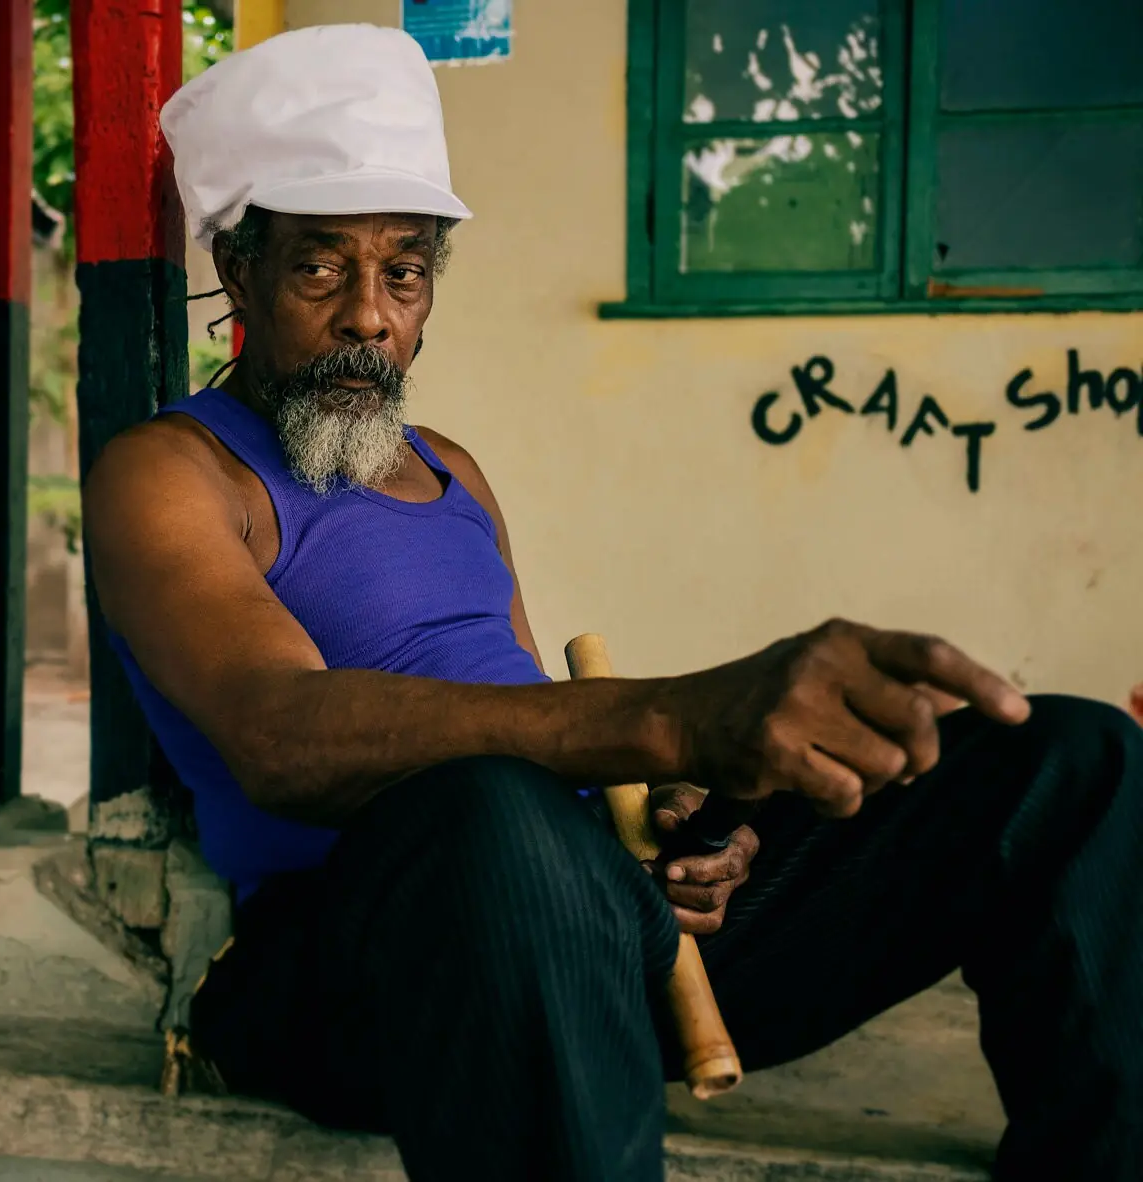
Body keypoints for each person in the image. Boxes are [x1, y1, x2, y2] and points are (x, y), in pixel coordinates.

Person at [80, 22, 1143, 1182]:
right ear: (240, 273)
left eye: (405, 271)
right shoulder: (174, 471)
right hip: (363, 960)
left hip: (585, 917)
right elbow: (279, 736)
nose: (370, 318)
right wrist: (670, 718)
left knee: (1073, 760)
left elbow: (539, 719)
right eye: (321, 268)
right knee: (497, 814)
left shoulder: (450, 469)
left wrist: (672, 817)